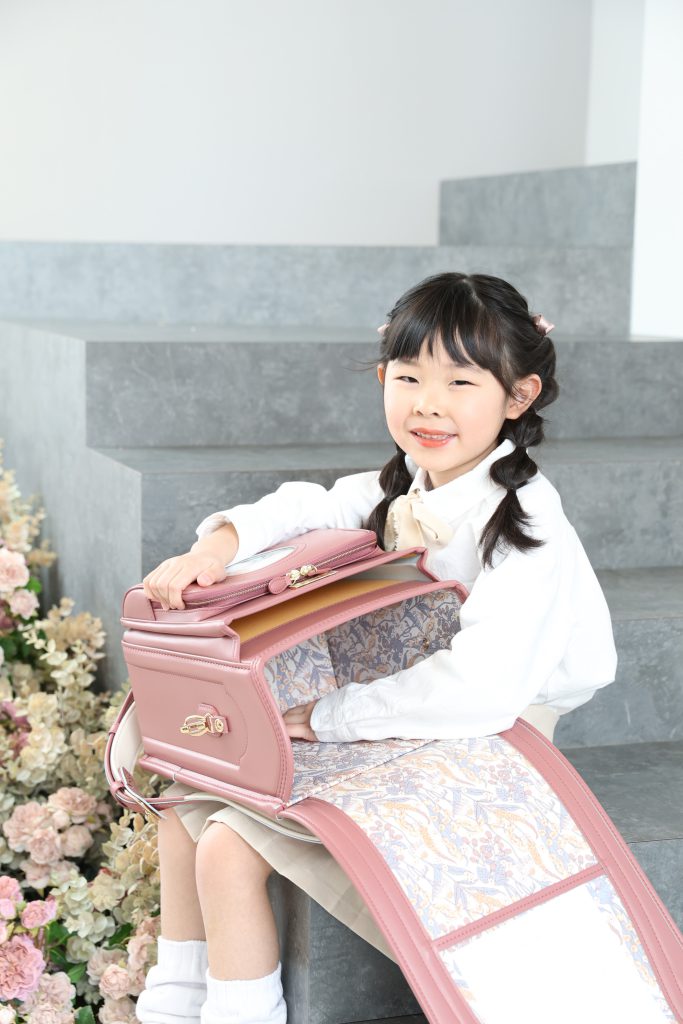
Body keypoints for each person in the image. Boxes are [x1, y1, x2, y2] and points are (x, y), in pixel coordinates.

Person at [134, 271, 618, 1024]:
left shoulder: (528, 521)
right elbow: (310, 505)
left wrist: (331, 717)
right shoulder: (407, 485)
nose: (428, 403)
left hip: (495, 727)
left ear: (517, 396)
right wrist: (218, 546)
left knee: (229, 843)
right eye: (409, 376)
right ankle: (174, 996)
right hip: (405, 705)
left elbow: (482, 690)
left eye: (461, 381)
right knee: (181, 797)